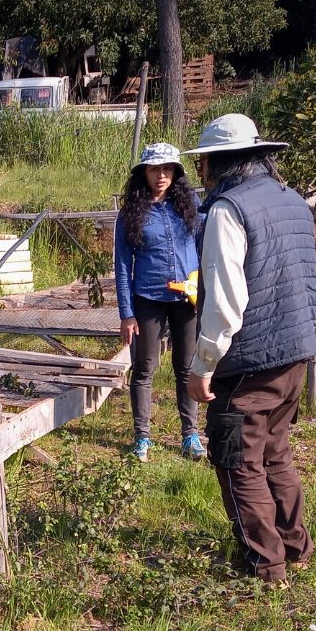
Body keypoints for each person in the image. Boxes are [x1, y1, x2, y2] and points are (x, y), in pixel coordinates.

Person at [183, 113, 316, 585]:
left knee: (239, 460)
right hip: (295, 351)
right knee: (275, 451)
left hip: (249, 361)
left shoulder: (228, 210)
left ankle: (266, 566)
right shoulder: (292, 200)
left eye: (202, 163)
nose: (200, 172)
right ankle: (295, 546)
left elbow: (225, 302)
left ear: (217, 162)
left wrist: (202, 365)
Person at [114, 142, 205, 463]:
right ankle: (142, 437)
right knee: (144, 368)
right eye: (155, 169)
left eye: (167, 169)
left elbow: (204, 248)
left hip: (186, 299)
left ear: (176, 173)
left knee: (186, 367)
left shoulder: (190, 205)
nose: (161, 175)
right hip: (148, 299)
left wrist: (205, 292)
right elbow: (122, 266)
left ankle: (190, 435)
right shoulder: (131, 213)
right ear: (144, 173)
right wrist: (127, 314)